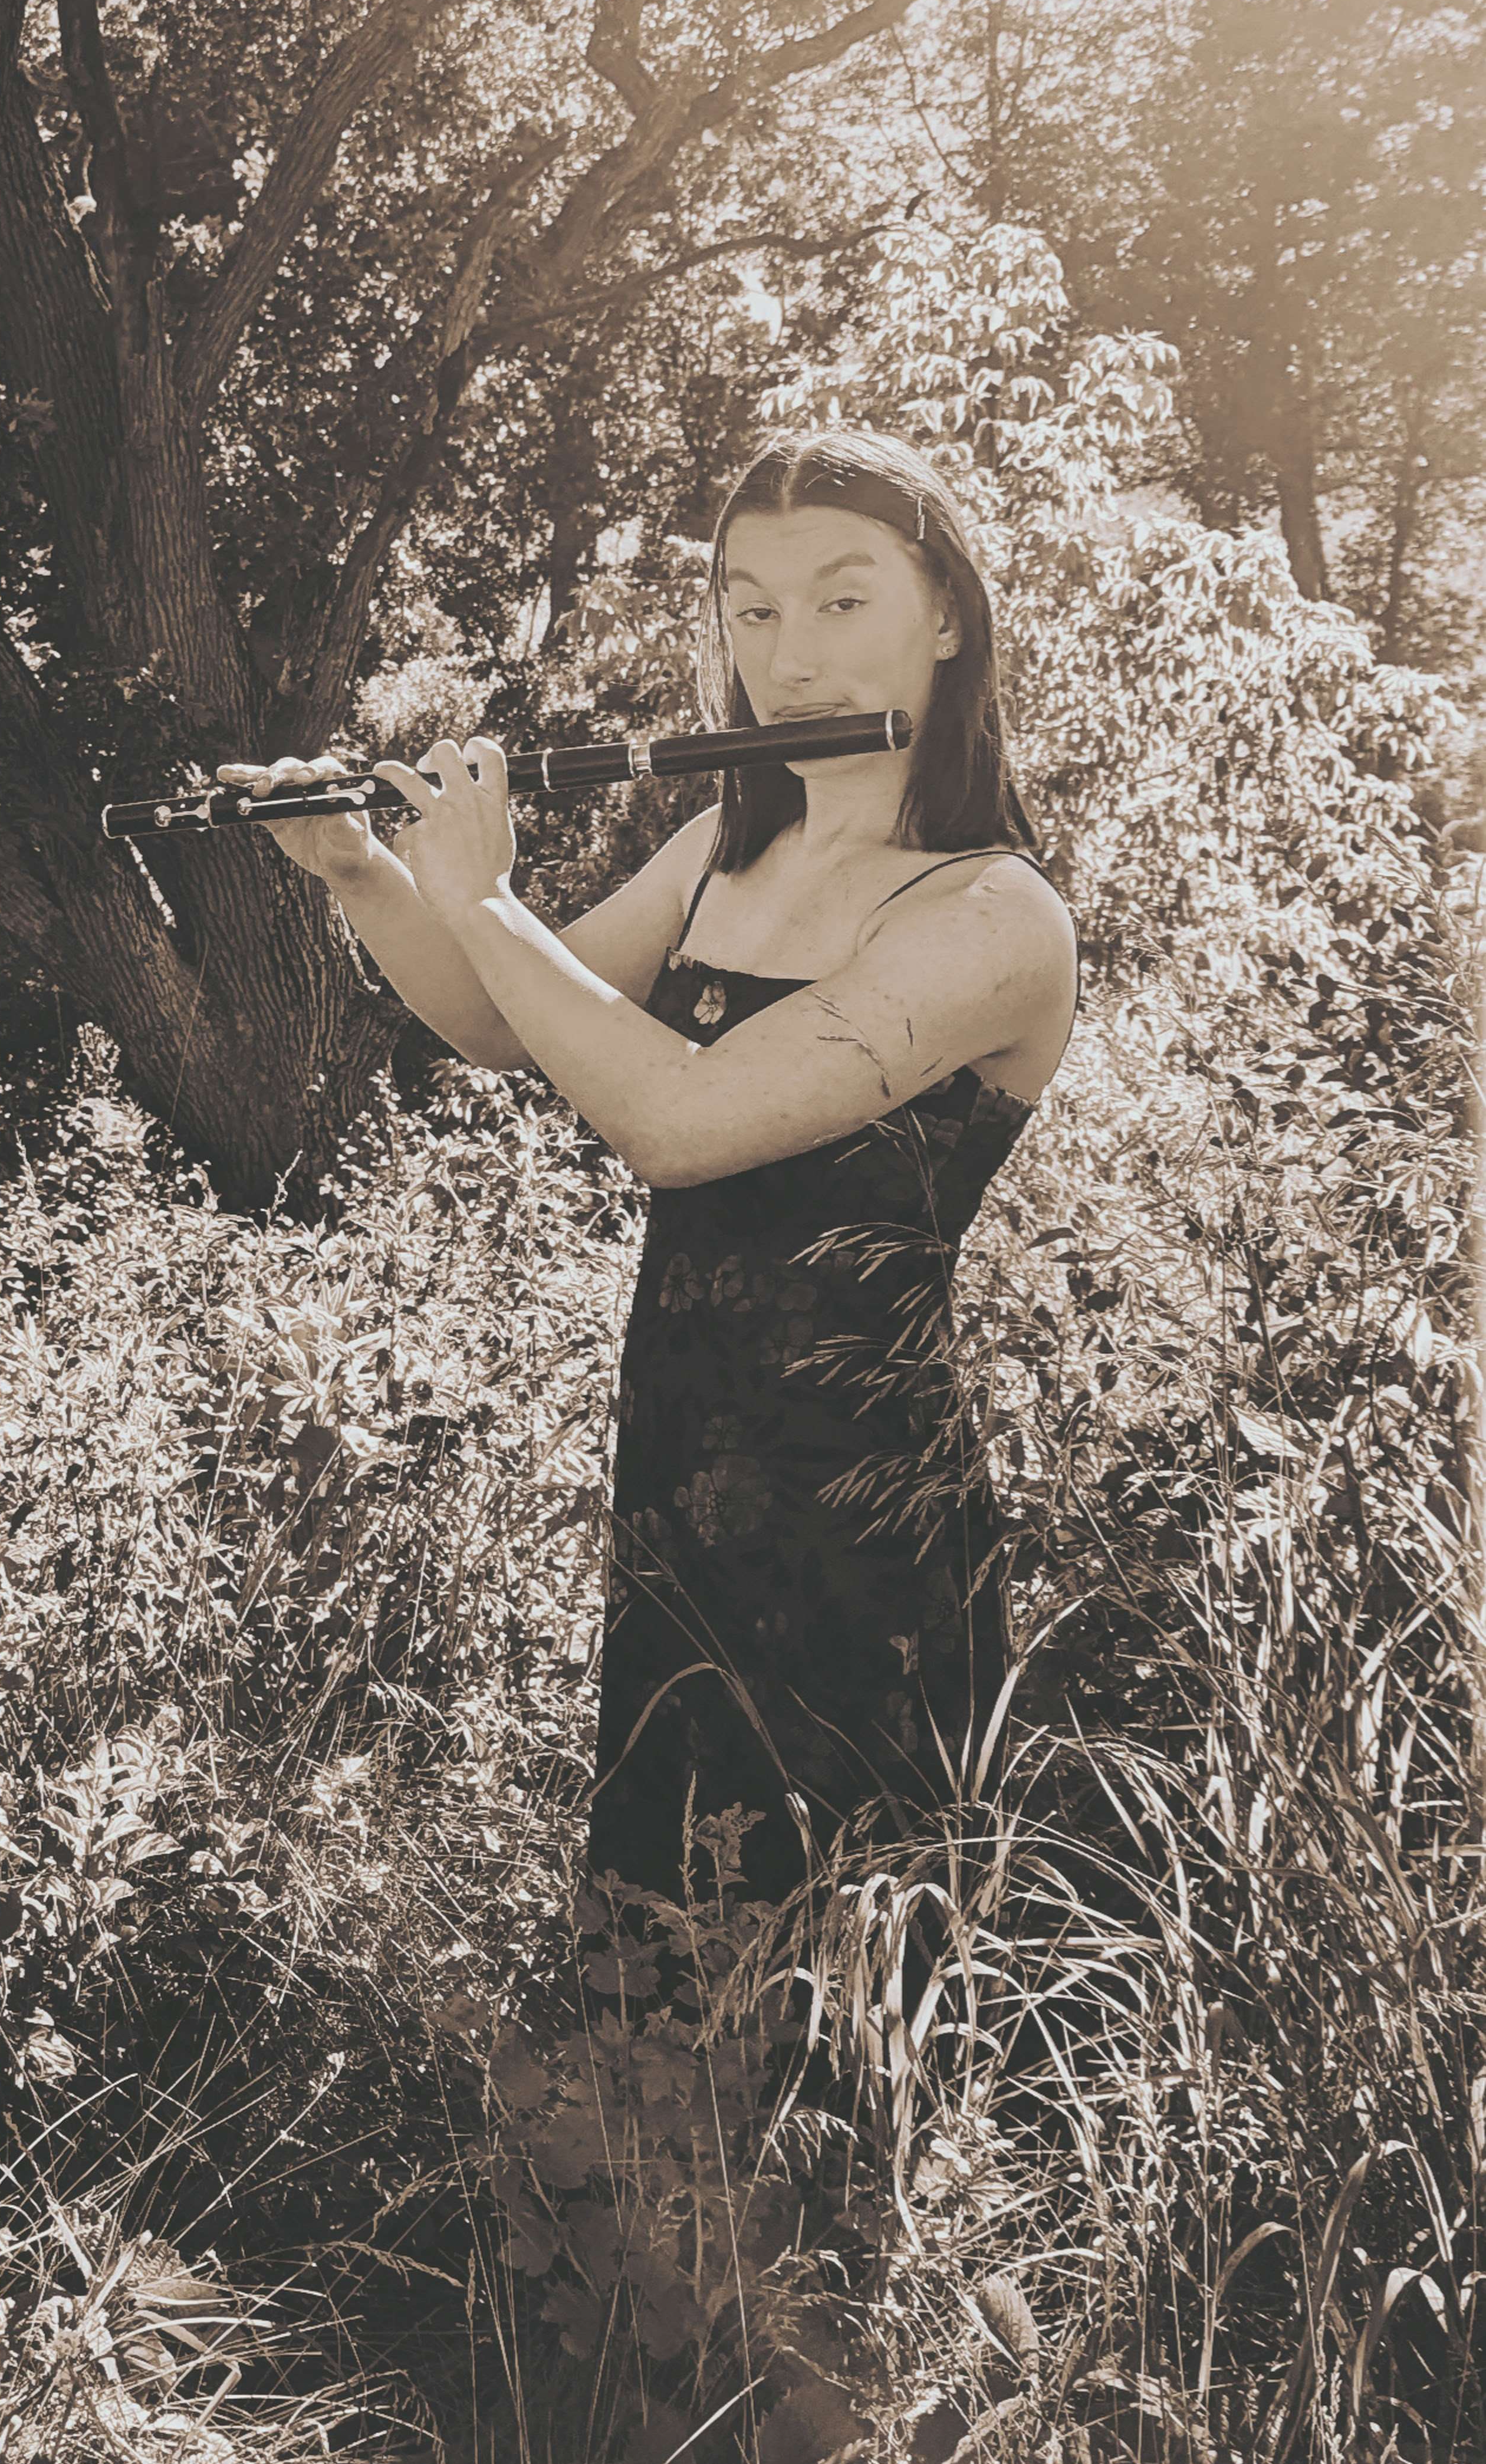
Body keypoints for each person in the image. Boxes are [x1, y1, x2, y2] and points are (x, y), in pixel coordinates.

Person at [222, 425, 1074, 1906]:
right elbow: (502, 1019)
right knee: (668, 1905)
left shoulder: (992, 915)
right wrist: (363, 874)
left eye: (839, 598)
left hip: (856, 1499)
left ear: (944, 616)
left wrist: (482, 891)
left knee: (847, 1938)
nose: (789, 656)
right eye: (750, 609)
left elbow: (676, 1120)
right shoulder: (715, 855)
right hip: (680, 1454)